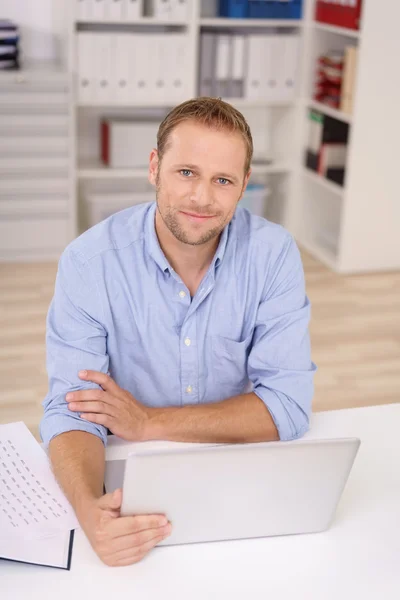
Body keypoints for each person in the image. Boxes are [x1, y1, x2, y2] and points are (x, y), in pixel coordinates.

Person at [40, 97, 316, 567]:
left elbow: (287, 406)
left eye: (222, 180)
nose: (202, 198)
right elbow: (72, 412)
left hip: (230, 466)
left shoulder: (273, 255)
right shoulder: (89, 264)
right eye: (186, 172)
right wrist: (89, 510)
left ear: (244, 186)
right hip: (129, 468)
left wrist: (149, 421)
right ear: (155, 167)